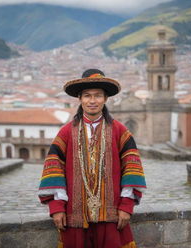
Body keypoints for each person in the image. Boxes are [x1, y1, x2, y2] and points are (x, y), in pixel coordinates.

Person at [38, 69, 146, 248]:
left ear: (105, 99)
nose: (92, 101)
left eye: (98, 95)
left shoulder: (120, 131)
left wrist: (126, 206)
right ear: (80, 99)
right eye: (87, 96)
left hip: (112, 215)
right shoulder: (66, 132)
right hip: (74, 215)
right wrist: (57, 208)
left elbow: (132, 168)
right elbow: (54, 169)